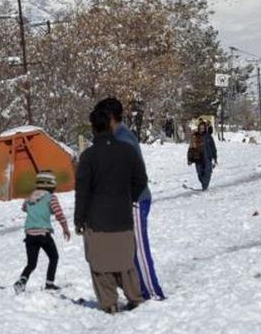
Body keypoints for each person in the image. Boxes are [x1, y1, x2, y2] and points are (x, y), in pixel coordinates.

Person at [75, 105, 149, 314]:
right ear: (110, 124)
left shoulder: (88, 157)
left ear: (93, 128)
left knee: (100, 264)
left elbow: (82, 191)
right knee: (125, 261)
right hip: (122, 215)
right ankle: (134, 297)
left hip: (97, 218)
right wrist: (129, 197)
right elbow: (141, 180)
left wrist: (79, 219)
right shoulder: (126, 151)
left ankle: (109, 302)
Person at [99, 97, 165, 302]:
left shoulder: (123, 138)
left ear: (110, 117)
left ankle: (152, 294)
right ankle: (139, 291)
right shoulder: (116, 136)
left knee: (139, 250)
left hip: (135, 200)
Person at [13, 171, 71, 294]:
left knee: (31, 263)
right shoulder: (51, 198)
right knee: (54, 257)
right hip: (43, 234)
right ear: (51, 185)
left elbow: (24, 208)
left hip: (29, 235)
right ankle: (49, 284)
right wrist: (65, 228)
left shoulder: (29, 197)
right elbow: (59, 214)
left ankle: (21, 281)